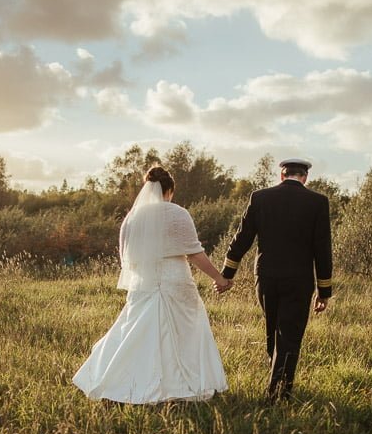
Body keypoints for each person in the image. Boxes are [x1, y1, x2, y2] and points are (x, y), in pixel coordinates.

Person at [73, 166, 232, 404]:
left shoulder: (132, 219)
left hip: (144, 284)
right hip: (175, 281)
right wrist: (219, 278)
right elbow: (194, 253)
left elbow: (128, 258)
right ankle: (182, 385)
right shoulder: (177, 213)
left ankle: (125, 381)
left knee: (135, 331)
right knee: (183, 333)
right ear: (169, 190)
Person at [220, 157, 333, 401]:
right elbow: (322, 249)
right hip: (299, 280)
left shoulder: (260, 198)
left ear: (282, 175)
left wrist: (227, 274)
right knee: (290, 335)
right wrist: (324, 290)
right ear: (305, 177)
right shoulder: (318, 202)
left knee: (273, 329)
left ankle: (276, 380)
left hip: (266, 277)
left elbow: (242, 238)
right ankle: (279, 393)